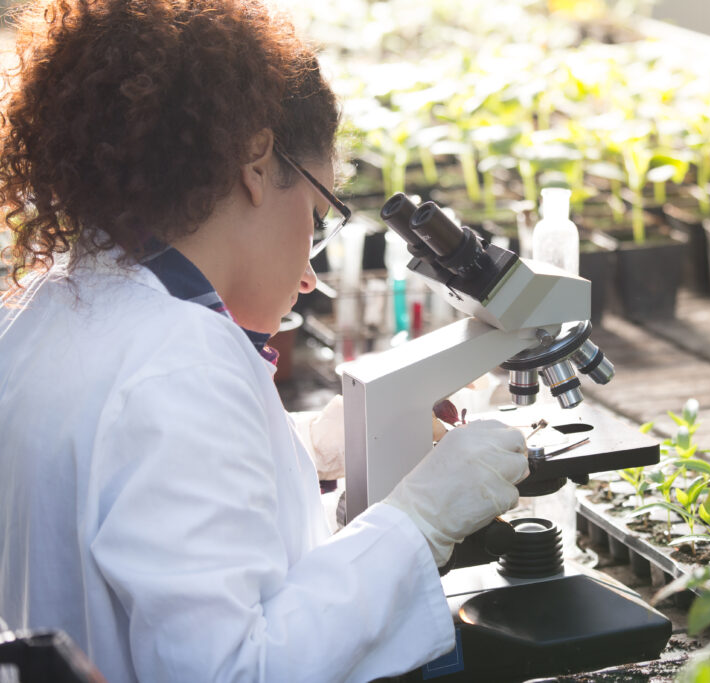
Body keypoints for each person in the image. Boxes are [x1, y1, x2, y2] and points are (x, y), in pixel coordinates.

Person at [0, 1, 529, 682]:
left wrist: (304, 446)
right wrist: (419, 522)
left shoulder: (52, 305)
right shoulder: (178, 367)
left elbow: (145, 491)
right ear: (256, 162)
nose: (310, 274)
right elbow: (234, 670)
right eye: (316, 214)